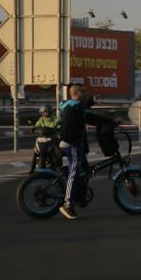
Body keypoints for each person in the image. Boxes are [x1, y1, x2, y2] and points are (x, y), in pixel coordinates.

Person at [57, 84, 106, 220]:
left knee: (85, 170)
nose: (85, 93)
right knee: (74, 171)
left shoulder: (76, 108)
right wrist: (92, 100)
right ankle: (67, 204)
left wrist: (110, 122)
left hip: (77, 144)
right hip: (71, 144)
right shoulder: (71, 105)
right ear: (76, 94)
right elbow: (81, 105)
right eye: (83, 92)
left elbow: (90, 117)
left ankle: (79, 196)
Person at [31, 105, 61, 173]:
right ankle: (32, 169)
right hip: (43, 138)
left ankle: (58, 165)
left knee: (57, 151)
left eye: (46, 112)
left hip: (53, 138)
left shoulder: (56, 119)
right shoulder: (41, 119)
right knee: (36, 151)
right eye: (43, 112)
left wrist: (58, 127)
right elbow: (37, 125)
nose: (44, 114)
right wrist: (34, 128)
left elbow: (59, 124)